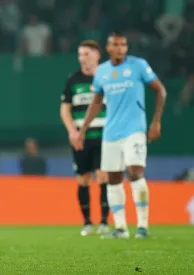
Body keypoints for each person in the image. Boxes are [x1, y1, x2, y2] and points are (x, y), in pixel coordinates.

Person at [71, 31, 167, 239]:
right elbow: (96, 102)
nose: (121, 48)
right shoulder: (102, 72)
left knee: (135, 172)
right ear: (109, 48)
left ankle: (142, 225)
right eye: (117, 45)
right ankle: (121, 227)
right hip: (111, 133)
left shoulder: (138, 65)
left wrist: (156, 121)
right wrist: (83, 131)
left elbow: (160, 90)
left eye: (124, 45)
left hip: (135, 131)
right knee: (113, 179)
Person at [60, 40, 110, 236]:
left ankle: (105, 222)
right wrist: (73, 132)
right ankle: (87, 222)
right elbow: (65, 109)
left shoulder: (106, 78)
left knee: (104, 175)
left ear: (98, 55)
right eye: (80, 54)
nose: (83, 58)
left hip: (105, 136)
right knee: (83, 179)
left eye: (87, 54)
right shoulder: (73, 80)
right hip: (81, 138)